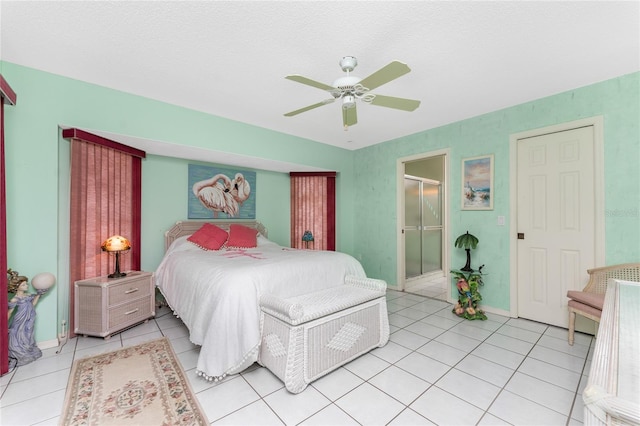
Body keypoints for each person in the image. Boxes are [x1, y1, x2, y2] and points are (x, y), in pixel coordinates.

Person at [7, 269, 49, 368]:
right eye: (24, 285)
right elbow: (9, 312)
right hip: (20, 320)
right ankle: (19, 352)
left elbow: (33, 304)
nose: (27, 286)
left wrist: (38, 294)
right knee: (19, 334)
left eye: (26, 284)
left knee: (28, 334)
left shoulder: (28, 296)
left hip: (29, 317)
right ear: (17, 287)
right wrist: (4, 325)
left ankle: (28, 350)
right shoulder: (15, 299)